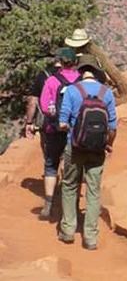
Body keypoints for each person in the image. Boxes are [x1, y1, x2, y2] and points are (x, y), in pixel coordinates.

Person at [58, 55, 117, 250]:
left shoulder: (72, 91)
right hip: (98, 148)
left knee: (69, 185)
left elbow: (63, 122)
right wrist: (108, 144)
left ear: (81, 71)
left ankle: (68, 229)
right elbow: (112, 126)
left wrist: (73, 131)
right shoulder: (106, 92)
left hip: (74, 147)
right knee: (93, 190)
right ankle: (90, 237)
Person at [37, 48, 80, 220]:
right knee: (75, 166)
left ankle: (48, 205)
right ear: (75, 62)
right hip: (75, 130)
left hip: (54, 129)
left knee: (51, 164)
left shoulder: (52, 81)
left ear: (60, 62)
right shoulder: (81, 81)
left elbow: (45, 106)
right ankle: (71, 207)